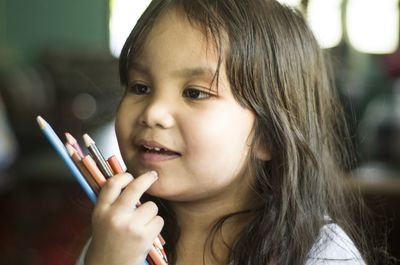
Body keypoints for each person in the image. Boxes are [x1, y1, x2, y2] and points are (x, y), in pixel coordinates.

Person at [77, 0, 375, 264]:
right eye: (140, 87)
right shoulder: (120, 237)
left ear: (269, 135)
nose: (153, 112)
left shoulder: (320, 252)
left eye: (194, 93)